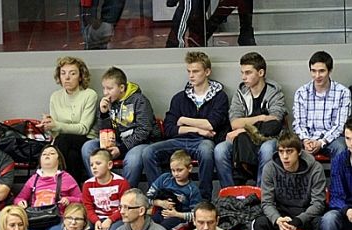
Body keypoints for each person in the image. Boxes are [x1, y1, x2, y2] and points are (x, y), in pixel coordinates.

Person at [141, 51, 229, 201]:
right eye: (189, 71)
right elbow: (169, 129)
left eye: (196, 71)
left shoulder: (220, 97)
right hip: (179, 140)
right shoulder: (179, 98)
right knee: (148, 152)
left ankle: (203, 199)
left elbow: (211, 124)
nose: (191, 75)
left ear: (207, 72)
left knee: (206, 151)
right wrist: (197, 129)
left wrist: (183, 120)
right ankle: (162, 197)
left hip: (203, 142)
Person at [252, 132, 326, 230]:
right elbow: (267, 202)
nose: (285, 156)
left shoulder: (315, 168)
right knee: (260, 223)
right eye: (281, 152)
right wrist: (277, 219)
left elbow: (318, 203)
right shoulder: (270, 168)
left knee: (321, 223)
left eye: (289, 151)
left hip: (306, 213)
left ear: (299, 152)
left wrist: (298, 220)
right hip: (281, 213)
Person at [214, 52, 286, 187]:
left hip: (269, 138)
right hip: (241, 140)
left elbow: (274, 123)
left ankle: (261, 193)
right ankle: (230, 193)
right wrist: (261, 118)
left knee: (267, 150)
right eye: (242, 73)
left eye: (248, 73)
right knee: (220, 150)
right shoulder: (240, 93)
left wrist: (243, 129)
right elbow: (235, 123)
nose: (243, 77)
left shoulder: (275, 93)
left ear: (261, 72)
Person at [81, 67, 160, 187]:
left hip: (141, 144)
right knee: (88, 146)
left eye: (109, 88)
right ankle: (100, 188)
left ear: (122, 88)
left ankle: (125, 193)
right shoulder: (107, 103)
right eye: (104, 88)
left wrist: (121, 149)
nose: (105, 93)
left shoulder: (139, 100)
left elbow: (144, 130)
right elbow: (100, 132)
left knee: (133, 158)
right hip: (117, 143)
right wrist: (103, 114)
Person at [38, 56, 98, 183]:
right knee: (72, 156)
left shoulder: (89, 95)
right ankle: (71, 188)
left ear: (80, 77)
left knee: (63, 140)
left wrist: (56, 125)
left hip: (85, 140)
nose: (67, 77)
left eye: (72, 73)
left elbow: (83, 128)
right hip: (64, 143)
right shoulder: (55, 97)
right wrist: (48, 126)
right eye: (63, 73)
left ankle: (52, 182)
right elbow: (55, 132)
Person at [14, 144, 81, 230]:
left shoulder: (67, 178)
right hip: (35, 218)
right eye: (44, 154)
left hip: (56, 219)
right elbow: (19, 198)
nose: (47, 155)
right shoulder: (33, 179)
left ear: (59, 160)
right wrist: (20, 202)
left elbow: (81, 199)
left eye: (52, 153)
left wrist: (69, 200)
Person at [293, 51, 351, 163]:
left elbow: (340, 125)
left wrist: (321, 142)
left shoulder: (343, 92)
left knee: (341, 147)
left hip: (331, 139)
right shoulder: (301, 92)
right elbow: (299, 123)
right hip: (307, 138)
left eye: (321, 71)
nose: (317, 75)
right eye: (313, 71)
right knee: (289, 146)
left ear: (330, 71)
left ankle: (337, 175)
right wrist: (306, 140)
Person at [315, 118, 352, 230]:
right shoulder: (339, 160)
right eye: (348, 139)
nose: (351, 144)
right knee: (328, 220)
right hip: (345, 212)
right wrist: (347, 210)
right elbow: (336, 196)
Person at [82, 148, 130, 230]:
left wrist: (110, 220)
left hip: (117, 217)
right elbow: (88, 208)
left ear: (109, 165)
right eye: (91, 165)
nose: (94, 167)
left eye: (98, 163)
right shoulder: (87, 184)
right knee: (83, 229)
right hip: (96, 217)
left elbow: (125, 207)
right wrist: (96, 221)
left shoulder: (121, 183)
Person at [146, 150, 201, 230]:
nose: (176, 174)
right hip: (160, 212)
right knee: (146, 225)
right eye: (173, 170)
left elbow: (196, 215)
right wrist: (159, 203)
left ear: (189, 168)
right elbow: (146, 198)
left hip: (180, 218)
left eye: (179, 170)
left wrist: (176, 214)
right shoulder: (164, 179)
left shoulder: (193, 190)